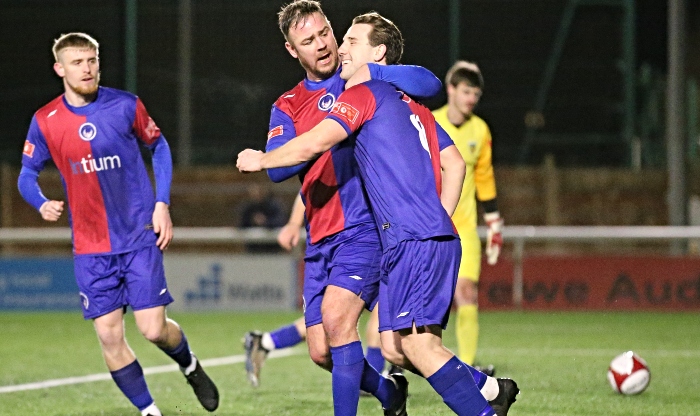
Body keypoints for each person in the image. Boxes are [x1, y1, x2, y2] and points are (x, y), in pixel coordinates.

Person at [237, 12, 520, 416]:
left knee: (358, 327)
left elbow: (430, 84)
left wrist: (266, 156)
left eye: (331, 35)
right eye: (310, 40)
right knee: (367, 349)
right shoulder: (292, 103)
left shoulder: (366, 88)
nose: (328, 45)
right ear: (291, 49)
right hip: (339, 235)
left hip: (371, 230)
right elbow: (286, 168)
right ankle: (467, 390)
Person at [17, 33, 219, 416]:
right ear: (60, 69)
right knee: (109, 336)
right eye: (78, 62)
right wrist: (40, 202)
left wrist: (162, 203)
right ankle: (150, 412)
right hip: (91, 247)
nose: (88, 68)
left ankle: (189, 364)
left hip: (138, 234)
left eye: (92, 60)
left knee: (153, 330)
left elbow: (158, 146)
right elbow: (27, 174)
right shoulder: (45, 121)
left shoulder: (125, 105)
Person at [244, 195, 391, 388]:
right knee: (377, 308)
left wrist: (293, 224)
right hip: (354, 242)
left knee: (337, 316)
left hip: (344, 241)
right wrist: (294, 224)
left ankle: (267, 341)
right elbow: (307, 186)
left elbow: (306, 187)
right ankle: (379, 379)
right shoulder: (355, 169)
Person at [432, 61, 503, 374]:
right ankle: (413, 359)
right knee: (430, 298)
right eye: (465, 91)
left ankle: (469, 366)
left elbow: (485, 177)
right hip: (431, 226)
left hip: (465, 228)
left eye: (475, 93)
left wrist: (495, 224)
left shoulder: (480, 129)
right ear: (451, 90)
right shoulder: (428, 122)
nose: (471, 98)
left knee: (466, 292)